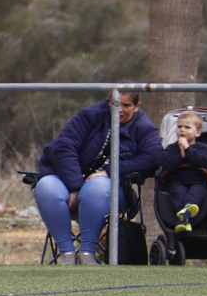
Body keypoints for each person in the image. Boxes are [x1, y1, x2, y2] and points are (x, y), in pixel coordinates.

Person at [33, 92, 160, 264]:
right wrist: (76, 187)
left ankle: (87, 254)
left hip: (113, 191)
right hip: (71, 183)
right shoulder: (89, 115)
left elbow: (153, 158)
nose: (120, 110)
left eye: (126, 105)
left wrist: (110, 171)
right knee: (45, 185)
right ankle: (67, 254)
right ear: (108, 102)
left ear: (137, 106)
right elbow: (63, 146)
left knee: (97, 186)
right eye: (115, 104)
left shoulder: (144, 127)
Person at [158, 111, 207, 232]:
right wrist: (181, 157)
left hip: (198, 181)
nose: (182, 130)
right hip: (177, 181)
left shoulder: (202, 148)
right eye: (179, 127)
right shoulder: (172, 148)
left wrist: (188, 150)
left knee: (197, 191)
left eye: (187, 127)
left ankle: (187, 210)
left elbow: (201, 161)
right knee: (178, 192)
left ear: (198, 132)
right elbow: (165, 163)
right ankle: (183, 218)